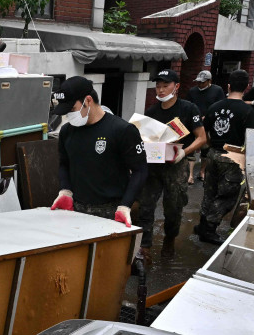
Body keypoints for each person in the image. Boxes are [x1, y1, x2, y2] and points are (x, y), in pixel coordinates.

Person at [49, 76, 147, 229]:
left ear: (88, 101)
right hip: (77, 209)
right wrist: (65, 190)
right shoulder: (67, 131)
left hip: (111, 210)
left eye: (72, 110)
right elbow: (64, 163)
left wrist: (126, 205)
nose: (68, 116)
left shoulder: (122, 130)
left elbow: (140, 170)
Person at [133, 69, 208, 256]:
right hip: (154, 164)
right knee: (146, 205)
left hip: (176, 165)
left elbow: (201, 138)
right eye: (158, 86)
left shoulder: (188, 108)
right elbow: (144, 137)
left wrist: (184, 152)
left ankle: (169, 238)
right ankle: (145, 246)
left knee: (174, 207)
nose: (161, 90)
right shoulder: (152, 111)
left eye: (165, 86)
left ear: (176, 87)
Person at [196, 69, 254, 244]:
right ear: (247, 87)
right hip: (233, 156)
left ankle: (202, 223)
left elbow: (205, 130)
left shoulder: (214, 107)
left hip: (213, 153)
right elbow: (252, 137)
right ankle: (208, 228)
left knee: (210, 191)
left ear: (229, 86)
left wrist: (211, 145)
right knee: (227, 195)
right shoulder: (247, 111)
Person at [187, 70, 225, 185]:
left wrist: (208, 116)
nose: (200, 84)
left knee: (205, 149)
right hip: (193, 123)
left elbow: (220, 107)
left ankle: (202, 171)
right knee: (191, 148)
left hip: (208, 124)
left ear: (209, 81)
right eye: (198, 82)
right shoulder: (192, 91)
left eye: (202, 82)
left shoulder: (217, 90)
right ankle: (190, 174)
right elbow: (187, 106)